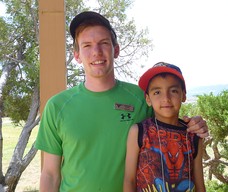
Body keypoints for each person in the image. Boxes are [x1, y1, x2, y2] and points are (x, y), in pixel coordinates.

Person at [35, 11, 208, 192]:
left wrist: (194, 124)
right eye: (87, 45)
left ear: (115, 50)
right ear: (77, 55)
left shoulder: (141, 99)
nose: (96, 52)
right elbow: (50, 174)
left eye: (104, 43)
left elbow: (169, 123)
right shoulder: (57, 106)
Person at [123, 62, 206, 192]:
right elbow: (129, 180)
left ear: (183, 95)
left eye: (173, 91)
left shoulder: (193, 135)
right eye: (157, 92)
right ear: (148, 99)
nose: (166, 98)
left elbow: (200, 185)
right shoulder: (139, 132)